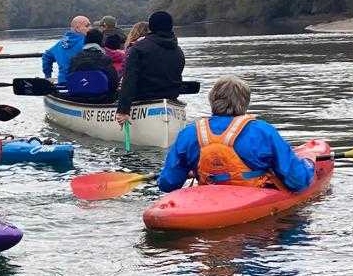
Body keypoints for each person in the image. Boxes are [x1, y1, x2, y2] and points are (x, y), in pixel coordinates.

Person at [158, 76, 314, 194]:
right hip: (251, 201)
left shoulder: (189, 133)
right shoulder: (263, 131)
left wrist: (191, 170)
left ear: (212, 100)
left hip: (208, 198)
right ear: (245, 103)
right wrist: (309, 165)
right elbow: (297, 181)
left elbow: (168, 183)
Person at [117, 10, 185, 124]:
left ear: (151, 27)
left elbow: (129, 80)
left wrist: (123, 110)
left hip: (144, 99)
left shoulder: (138, 48)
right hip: (171, 100)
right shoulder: (178, 51)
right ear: (171, 27)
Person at [67, 28, 119, 100]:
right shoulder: (105, 59)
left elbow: (70, 79)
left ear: (85, 41)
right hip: (101, 98)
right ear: (101, 41)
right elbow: (114, 83)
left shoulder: (74, 59)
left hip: (78, 97)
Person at [41, 15, 90, 83]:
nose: (90, 28)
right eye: (87, 26)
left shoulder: (60, 44)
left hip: (63, 81)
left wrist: (48, 76)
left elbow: (46, 56)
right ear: (77, 28)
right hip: (82, 82)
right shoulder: (87, 42)